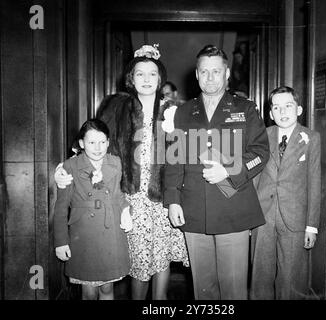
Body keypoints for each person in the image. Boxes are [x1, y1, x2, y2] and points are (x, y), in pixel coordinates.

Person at [55, 44, 189, 300]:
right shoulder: (116, 107)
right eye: (140, 73)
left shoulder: (174, 110)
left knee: (162, 257)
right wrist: (63, 168)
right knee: (139, 262)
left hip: (166, 196)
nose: (147, 79)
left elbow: (187, 152)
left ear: (160, 78)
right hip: (130, 198)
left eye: (152, 74)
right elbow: (92, 141)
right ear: (131, 78)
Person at [163, 44, 269, 300]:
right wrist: (173, 201)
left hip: (232, 205)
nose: (210, 78)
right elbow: (174, 160)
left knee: (233, 288)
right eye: (204, 72)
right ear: (197, 75)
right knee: (203, 287)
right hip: (195, 207)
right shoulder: (184, 112)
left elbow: (260, 152)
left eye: (216, 72)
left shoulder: (245, 108)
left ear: (227, 73)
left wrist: (229, 171)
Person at [250, 86, 321, 300]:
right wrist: (249, 217)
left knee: (291, 279)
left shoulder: (310, 138)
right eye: (277, 107)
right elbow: (254, 178)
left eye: (288, 106)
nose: (283, 112)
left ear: (299, 109)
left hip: (295, 219)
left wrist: (312, 226)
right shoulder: (263, 136)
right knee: (260, 275)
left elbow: (315, 181)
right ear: (270, 114)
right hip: (263, 216)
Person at [53, 119, 132, 300]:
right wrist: (61, 242)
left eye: (102, 142)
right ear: (81, 143)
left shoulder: (115, 163)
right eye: (91, 142)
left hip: (110, 233)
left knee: (107, 288)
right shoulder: (70, 166)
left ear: (108, 142)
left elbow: (118, 195)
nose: (98, 148)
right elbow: (61, 208)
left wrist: (127, 210)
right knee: (88, 291)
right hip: (84, 235)